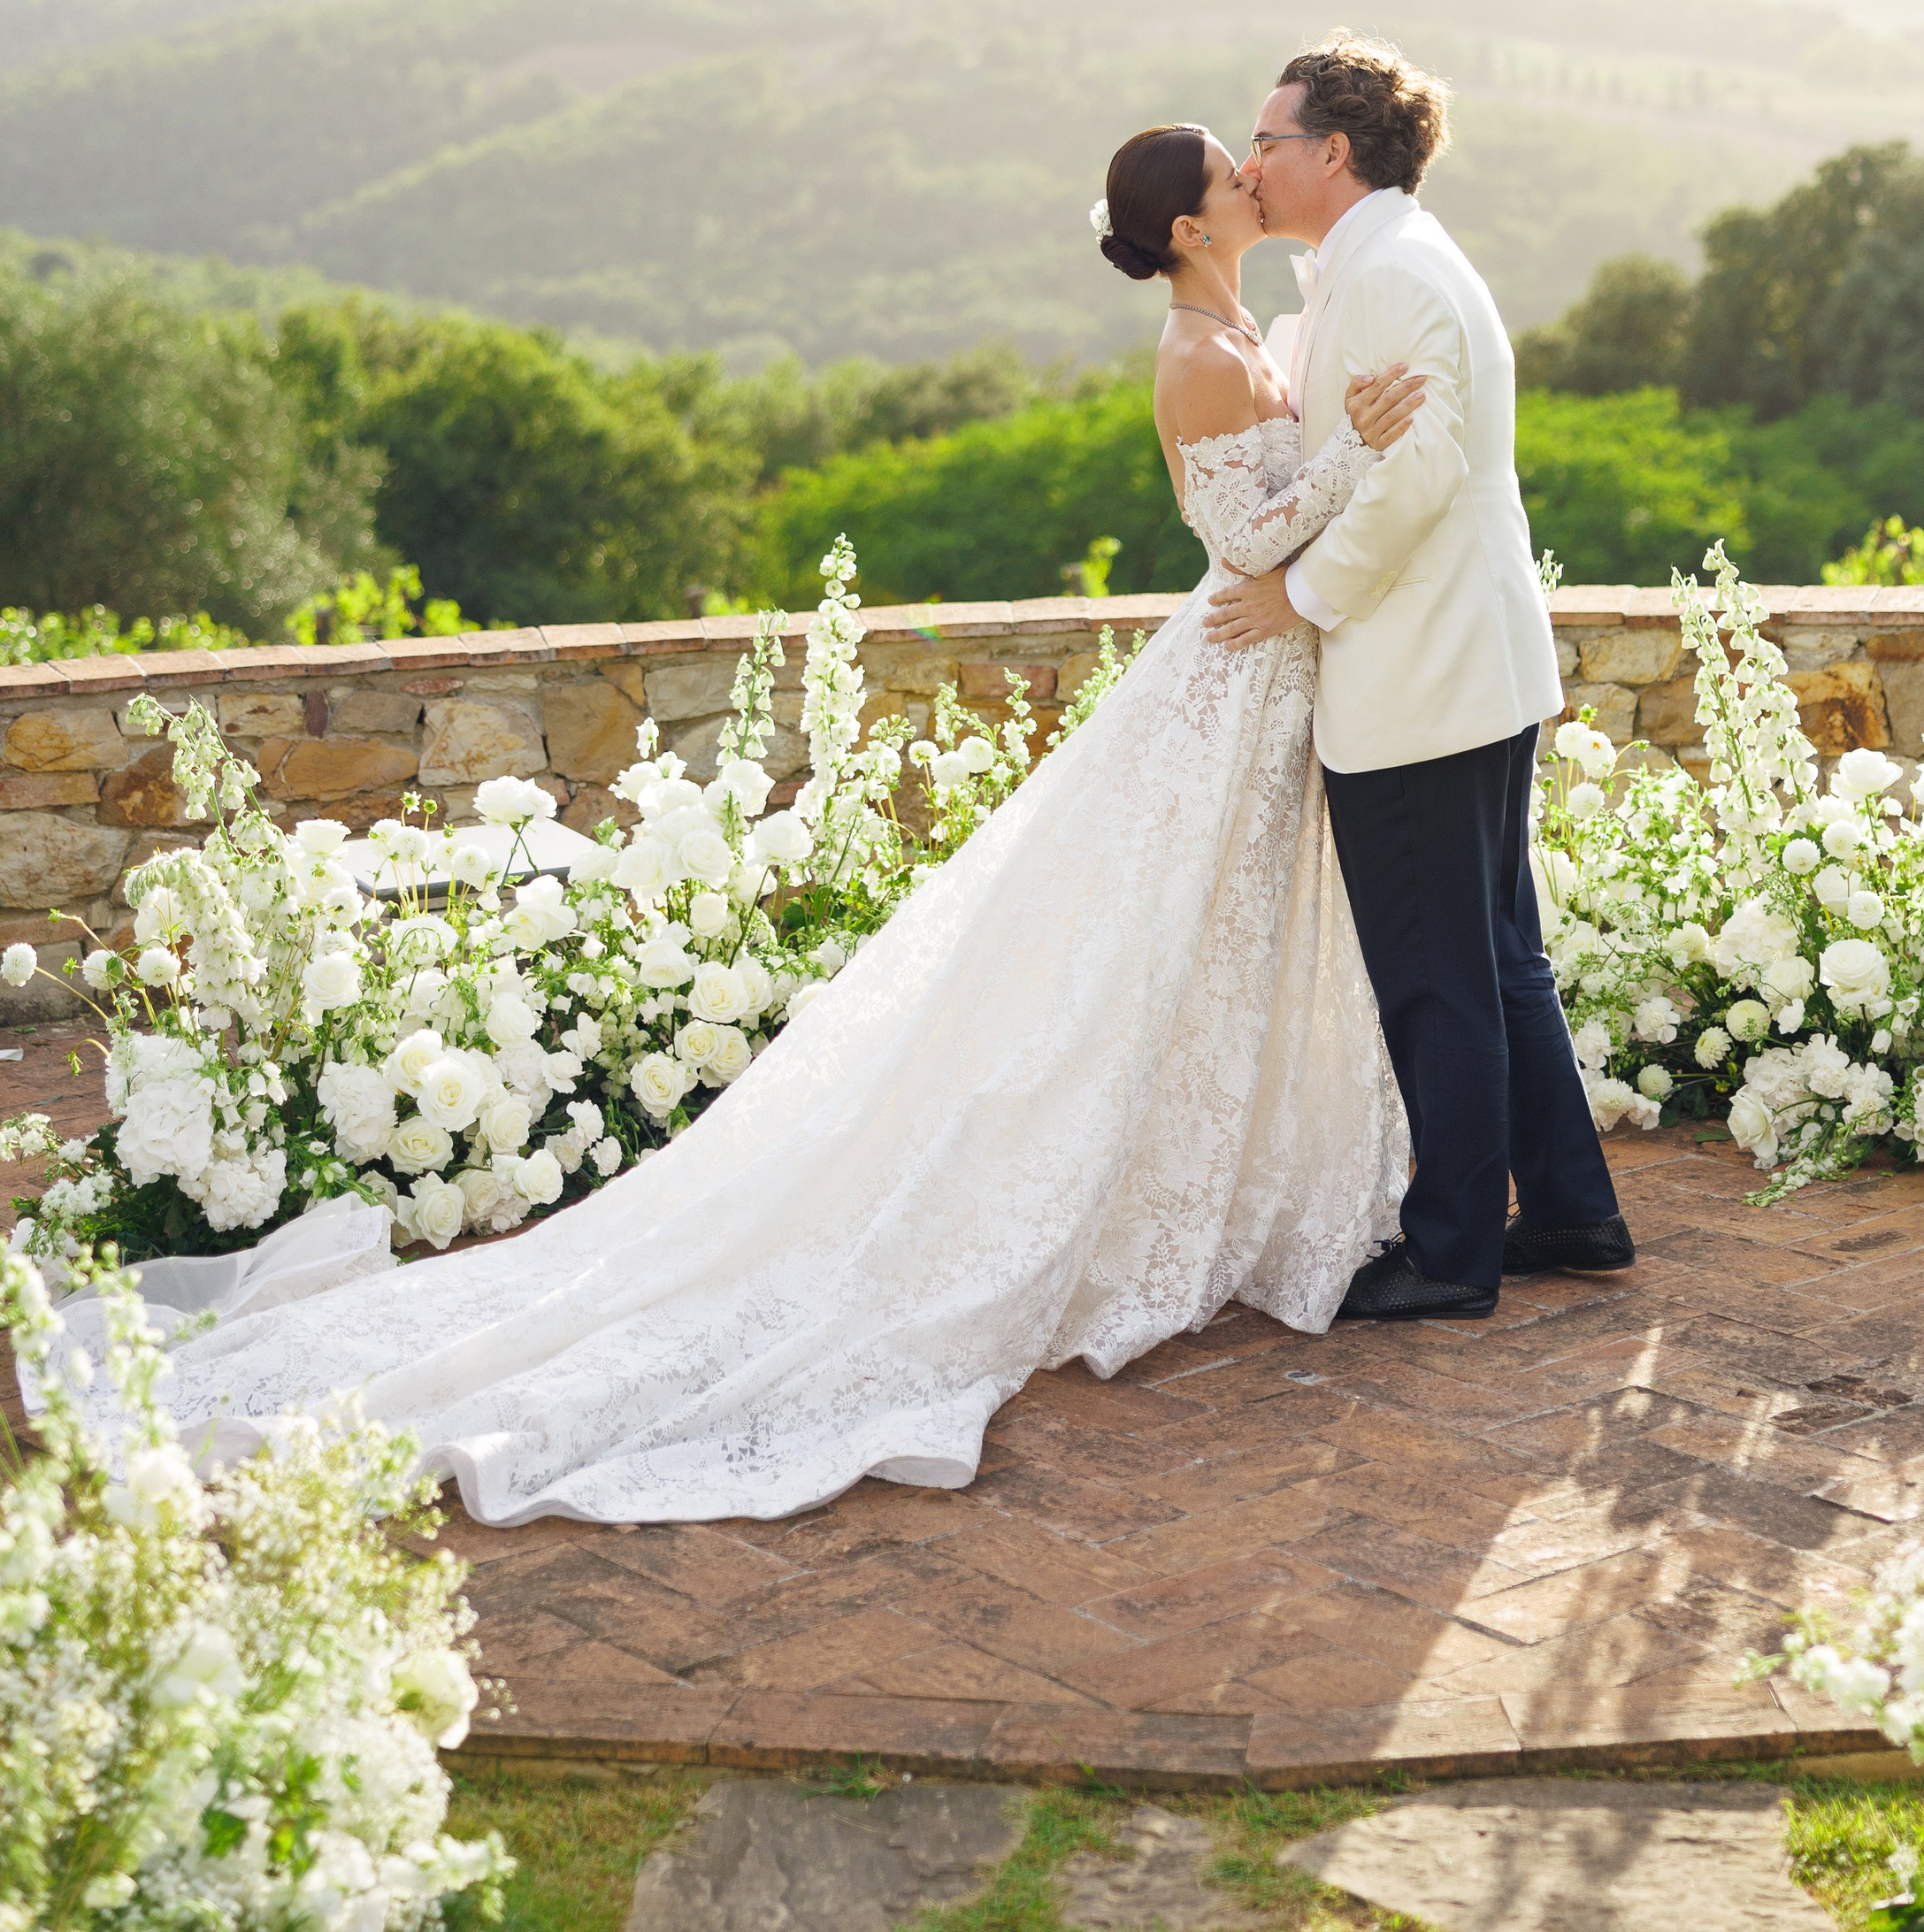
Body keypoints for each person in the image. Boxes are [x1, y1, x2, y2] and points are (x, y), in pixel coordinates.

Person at [57, 124, 1430, 1527]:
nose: (1252, 174)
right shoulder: (1196, 359)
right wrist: (1354, 463)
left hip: (1261, 684)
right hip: (1223, 683)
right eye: (1229, 168)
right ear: (1194, 228)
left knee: (1203, 953)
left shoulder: (1252, 328)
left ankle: (1204, 1199)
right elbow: (1247, 544)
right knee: (1114, 969)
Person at [1205, 32, 1632, 1320]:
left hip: (1422, 677)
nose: (1253, 161)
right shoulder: (1378, 262)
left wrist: (1299, 599)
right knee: (1498, 959)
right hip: (1469, 666)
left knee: (1439, 972)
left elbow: (1416, 478)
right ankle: (1570, 1209)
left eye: (1268, 141)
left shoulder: (1389, 276)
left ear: (1333, 152)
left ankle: (1453, 1252)